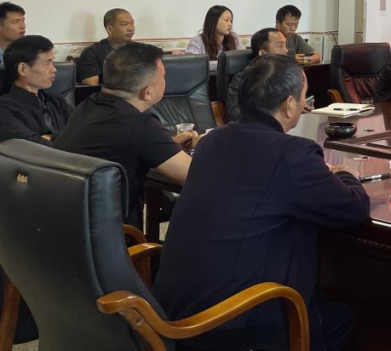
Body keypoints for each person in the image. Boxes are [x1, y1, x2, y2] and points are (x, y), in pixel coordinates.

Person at [154, 55, 370, 351]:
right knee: (343, 317)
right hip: (230, 327)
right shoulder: (291, 153)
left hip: (172, 314)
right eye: (303, 96)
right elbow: (353, 209)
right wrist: (346, 175)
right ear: (288, 104)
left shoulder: (211, 141)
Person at [53, 42, 196, 226]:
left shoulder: (89, 104)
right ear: (148, 92)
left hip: (67, 223)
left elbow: (124, 144)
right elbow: (194, 175)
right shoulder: (139, 124)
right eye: (163, 76)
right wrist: (203, 145)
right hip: (110, 232)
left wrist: (168, 144)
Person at [0, 36, 72, 145]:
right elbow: (32, 145)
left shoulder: (57, 101)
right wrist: (63, 138)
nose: (54, 69)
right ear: (23, 69)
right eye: (48, 63)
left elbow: (82, 135)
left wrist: (50, 136)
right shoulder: (4, 108)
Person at [226, 27, 289, 122]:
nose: (286, 50)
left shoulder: (287, 75)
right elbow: (235, 115)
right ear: (263, 53)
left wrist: (300, 106)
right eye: (280, 46)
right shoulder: (242, 80)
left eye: (285, 45)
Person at [76, 8, 136, 84]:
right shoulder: (92, 53)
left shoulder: (141, 51)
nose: (130, 28)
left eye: (132, 23)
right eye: (125, 24)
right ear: (109, 29)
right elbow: (91, 87)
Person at [185, 5, 241, 72]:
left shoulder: (235, 38)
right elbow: (192, 64)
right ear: (214, 21)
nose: (230, 24)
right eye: (226, 20)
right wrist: (224, 64)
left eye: (231, 21)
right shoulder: (197, 41)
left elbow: (243, 59)